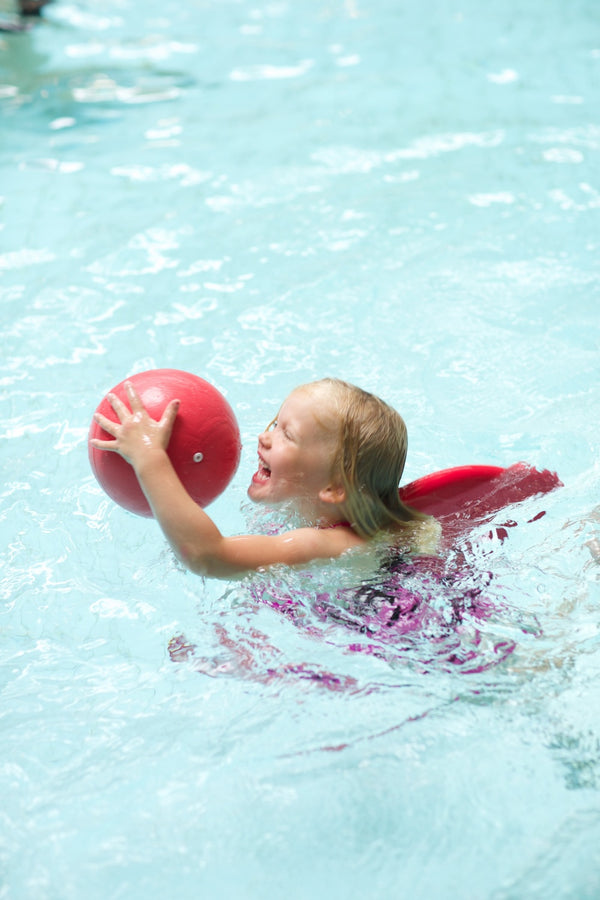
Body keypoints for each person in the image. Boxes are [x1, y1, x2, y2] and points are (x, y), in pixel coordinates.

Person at [91, 377, 436, 579]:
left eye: (288, 435)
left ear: (333, 488)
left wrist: (150, 458)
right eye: (274, 423)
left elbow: (208, 556)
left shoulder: (325, 544)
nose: (264, 437)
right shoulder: (371, 528)